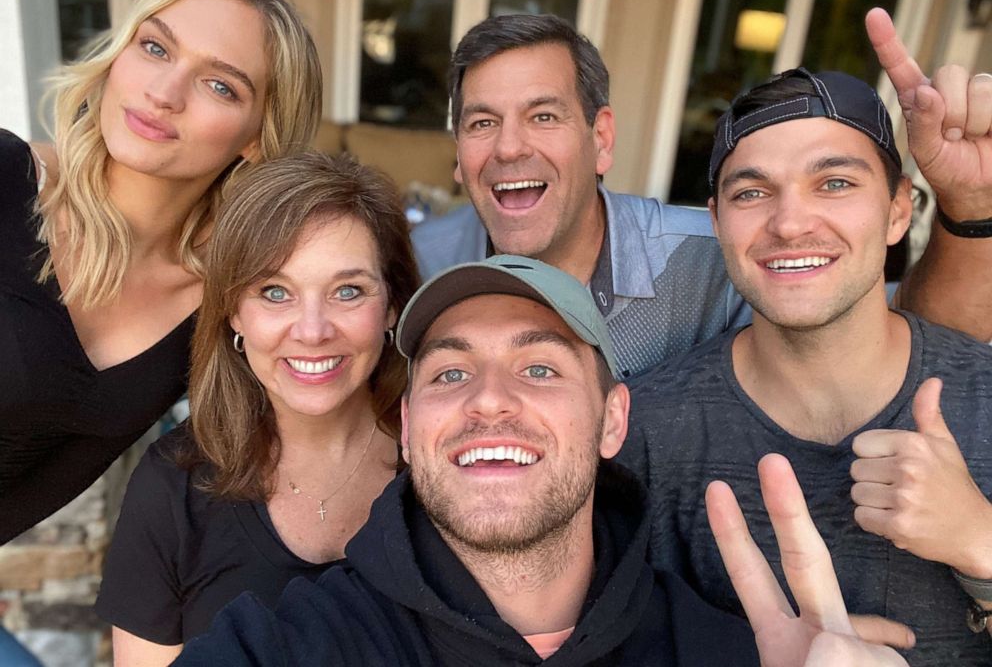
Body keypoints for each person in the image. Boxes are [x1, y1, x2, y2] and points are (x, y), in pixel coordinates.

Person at [172, 255, 911, 666]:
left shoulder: (724, 653)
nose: (488, 402)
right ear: (406, 425)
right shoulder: (299, 644)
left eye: (541, 370)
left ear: (612, 420)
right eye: (451, 374)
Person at [620, 68, 992, 665]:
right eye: (752, 192)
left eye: (835, 183)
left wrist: (981, 545)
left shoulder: (986, 398)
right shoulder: (643, 434)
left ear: (900, 210)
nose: (790, 223)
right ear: (717, 222)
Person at [411, 11, 992, 380]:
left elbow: (916, 341)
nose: (509, 148)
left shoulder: (712, 257)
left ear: (601, 138)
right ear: (459, 152)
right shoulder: (417, 262)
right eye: (482, 123)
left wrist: (969, 205)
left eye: (543, 115)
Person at [0, 0, 322, 543]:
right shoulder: (5, 178)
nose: (164, 94)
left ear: (256, 136)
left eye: (220, 85)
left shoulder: (217, 304)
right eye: (155, 47)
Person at [92, 152, 420, 665]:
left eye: (348, 291)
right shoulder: (173, 490)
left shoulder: (445, 468)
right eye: (275, 292)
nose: (312, 331)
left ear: (393, 305)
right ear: (233, 313)